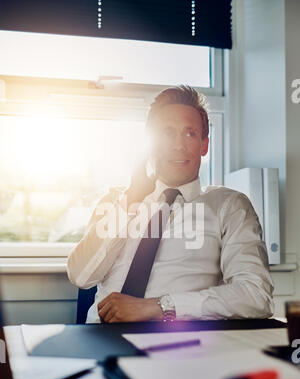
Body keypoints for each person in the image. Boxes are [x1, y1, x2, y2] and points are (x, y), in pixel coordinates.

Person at [67, 85, 274, 323]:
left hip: (179, 342)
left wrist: (160, 306)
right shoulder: (117, 200)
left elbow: (256, 294)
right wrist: (129, 202)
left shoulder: (230, 206)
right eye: (167, 133)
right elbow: (81, 276)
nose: (179, 145)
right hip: (101, 339)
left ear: (204, 144)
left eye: (190, 134)